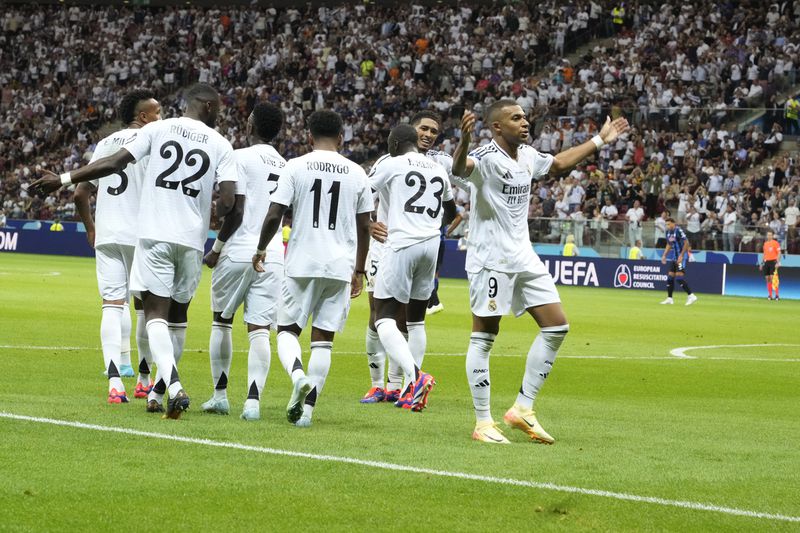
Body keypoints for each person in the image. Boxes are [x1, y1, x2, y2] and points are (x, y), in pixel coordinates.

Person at [30, 83, 238, 419]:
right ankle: (153, 383)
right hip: (190, 238)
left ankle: (159, 384)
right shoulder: (221, 144)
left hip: (150, 234)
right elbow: (229, 202)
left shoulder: (156, 131)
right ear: (210, 107)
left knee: (146, 312)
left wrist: (65, 178)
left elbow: (112, 165)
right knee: (176, 317)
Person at [452, 100, 629, 444]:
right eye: (515, 118)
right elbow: (461, 168)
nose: (524, 122)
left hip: (524, 257)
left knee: (557, 326)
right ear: (497, 127)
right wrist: (462, 141)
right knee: (485, 337)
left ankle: (523, 408)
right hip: (491, 260)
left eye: (524, 117)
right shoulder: (486, 157)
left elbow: (560, 163)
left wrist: (600, 140)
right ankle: (483, 422)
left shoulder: (528, 156)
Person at [252, 110, 371, 428]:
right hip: (339, 265)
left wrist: (261, 248)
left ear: (309, 136)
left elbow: (275, 213)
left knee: (287, 331)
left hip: (302, 261)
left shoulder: (295, 166)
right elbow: (365, 227)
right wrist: (359, 271)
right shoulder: (358, 172)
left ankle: (297, 375)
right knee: (323, 341)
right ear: (342, 137)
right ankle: (306, 414)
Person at [73, 89, 162, 403]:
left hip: (109, 234)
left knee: (112, 306)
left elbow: (80, 193)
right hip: (142, 236)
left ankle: (114, 384)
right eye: (157, 113)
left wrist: (91, 228)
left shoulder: (105, 144)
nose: (160, 118)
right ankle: (143, 380)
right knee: (147, 310)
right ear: (143, 117)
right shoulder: (152, 142)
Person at [361, 110, 454, 404]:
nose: (428, 135)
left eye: (433, 131)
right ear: (414, 134)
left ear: (395, 141)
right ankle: (398, 390)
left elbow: (361, 190)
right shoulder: (437, 168)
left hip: (397, 243)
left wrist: (367, 223)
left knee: (382, 317)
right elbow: (451, 211)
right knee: (415, 322)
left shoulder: (392, 162)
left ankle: (413, 377)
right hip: (429, 244)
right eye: (423, 130)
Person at [200, 103, 285, 420]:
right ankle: (253, 402)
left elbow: (232, 208)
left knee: (222, 321)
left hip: (238, 249)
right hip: (273, 252)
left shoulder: (239, 156)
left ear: (251, 124)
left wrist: (217, 248)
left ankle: (220, 396)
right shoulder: (285, 164)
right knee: (260, 329)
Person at [660, 217, 698, 306]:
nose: (667, 226)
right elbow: (669, 244)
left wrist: (681, 255)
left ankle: (691, 296)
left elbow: (686, 243)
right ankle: (669, 298)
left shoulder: (678, 230)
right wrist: (664, 255)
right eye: (666, 224)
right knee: (670, 278)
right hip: (674, 258)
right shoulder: (668, 233)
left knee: (679, 278)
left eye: (669, 224)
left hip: (681, 257)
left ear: (674, 223)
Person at [760, 230, 781, 300]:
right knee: (767, 279)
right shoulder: (765, 244)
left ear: (772, 236)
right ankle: (770, 295)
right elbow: (764, 254)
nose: (769, 236)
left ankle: (777, 295)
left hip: (773, 261)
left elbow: (779, 253)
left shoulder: (776, 243)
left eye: (770, 235)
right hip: (766, 262)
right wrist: (762, 263)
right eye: (768, 235)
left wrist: (777, 262)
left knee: (773, 278)